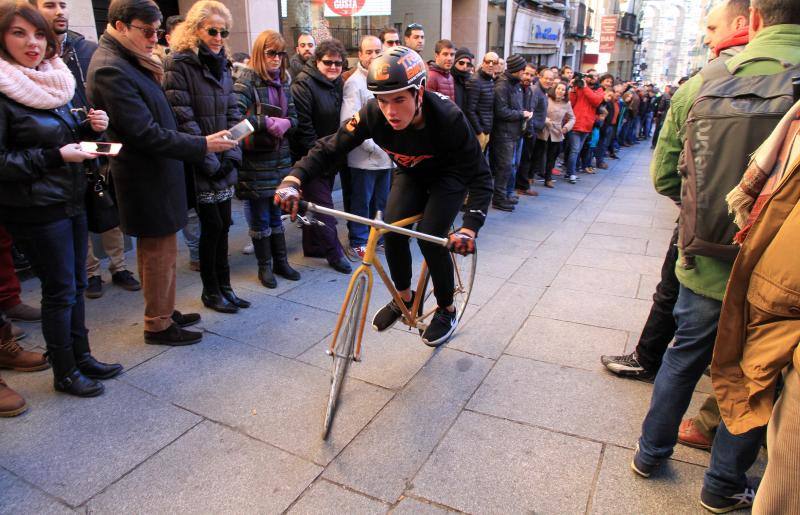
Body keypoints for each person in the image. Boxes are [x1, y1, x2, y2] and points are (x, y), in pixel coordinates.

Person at [630, 2, 800, 512]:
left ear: (756, 18)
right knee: (754, 374)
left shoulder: (703, 81)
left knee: (684, 355)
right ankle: (722, 484)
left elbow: (664, 176)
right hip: (778, 271)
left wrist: (706, 212)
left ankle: (648, 454)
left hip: (705, 259)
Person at [276, 46, 492, 346]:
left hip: (449, 177)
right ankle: (405, 297)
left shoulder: (449, 118)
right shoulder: (372, 114)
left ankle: (446, 309)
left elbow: (481, 176)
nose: (390, 111)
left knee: (431, 237)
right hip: (410, 173)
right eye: (383, 100)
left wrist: (470, 227)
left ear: (419, 93)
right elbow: (330, 147)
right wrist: (293, 179)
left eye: (399, 100)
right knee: (390, 231)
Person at [87, 0, 238, 345]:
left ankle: (164, 311)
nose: (154, 38)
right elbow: (144, 132)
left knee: (164, 251)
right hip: (145, 178)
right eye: (147, 31)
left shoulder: (129, 58)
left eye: (156, 31)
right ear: (121, 25)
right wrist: (202, 145)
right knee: (157, 253)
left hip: (160, 173)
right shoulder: (111, 67)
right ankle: (158, 324)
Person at [0, 0, 123, 397]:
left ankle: (81, 356)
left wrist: (93, 129)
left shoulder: (54, 79)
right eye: (19, 33)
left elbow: (66, 137)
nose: (32, 43)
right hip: (35, 208)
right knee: (59, 290)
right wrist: (56, 156)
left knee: (75, 284)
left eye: (39, 34)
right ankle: (65, 371)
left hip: (71, 197)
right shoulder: (4, 89)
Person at [712, 97, 800, 515]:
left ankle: (661, 452)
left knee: (742, 373)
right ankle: (720, 483)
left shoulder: (710, 90)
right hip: (769, 285)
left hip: (749, 271)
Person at [33, 0, 141, 300]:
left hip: (95, 136)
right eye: (49, 5)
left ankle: (119, 266)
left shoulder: (86, 48)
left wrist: (102, 123)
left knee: (106, 202)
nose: (59, 11)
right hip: (58, 147)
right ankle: (91, 271)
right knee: (78, 208)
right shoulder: (33, 55)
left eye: (63, 4)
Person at [163, 0, 247, 314]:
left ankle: (225, 287)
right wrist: (211, 160)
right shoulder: (179, 63)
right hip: (200, 160)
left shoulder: (222, 63)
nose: (218, 37)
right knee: (211, 227)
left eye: (223, 32)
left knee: (224, 224)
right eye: (212, 31)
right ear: (195, 28)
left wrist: (232, 154)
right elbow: (183, 118)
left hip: (222, 158)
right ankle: (211, 291)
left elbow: (233, 112)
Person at [233, 29, 301, 289]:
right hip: (255, 162)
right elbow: (235, 121)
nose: (276, 58)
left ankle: (281, 262)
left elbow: (294, 118)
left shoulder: (283, 81)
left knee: (276, 215)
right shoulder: (246, 81)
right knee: (261, 217)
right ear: (259, 53)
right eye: (271, 53)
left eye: (281, 53)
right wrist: (265, 122)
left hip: (279, 160)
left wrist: (286, 123)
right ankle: (265, 267)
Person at [290, 38, 351, 274]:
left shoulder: (337, 83)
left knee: (314, 203)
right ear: (317, 61)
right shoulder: (303, 85)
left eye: (338, 63)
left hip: (331, 154)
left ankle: (313, 246)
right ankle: (334, 254)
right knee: (325, 208)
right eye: (328, 62)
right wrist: (320, 158)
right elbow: (304, 129)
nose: (333, 67)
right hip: (311, 157)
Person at [340, 35, 391, 260]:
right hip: (364, 158)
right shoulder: (354, 83)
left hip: (385, 157)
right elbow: (348, 122)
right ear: (360, 55)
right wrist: (375, 146)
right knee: (362, 202)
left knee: (381, 202)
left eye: (377, 51)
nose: (373, 56)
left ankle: (375, 237)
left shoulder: (384, 77)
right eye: (368, 52)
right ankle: (358, 241)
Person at [489, 54, 531, 211]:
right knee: (505, 166)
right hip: (504, 134)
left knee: (512, 166)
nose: (524, 74)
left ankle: (506, 194)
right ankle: (499, 198)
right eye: (522, 70)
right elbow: (501, 111)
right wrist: (521, 114)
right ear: (516, 70)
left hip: (514, 132)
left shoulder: (516, 85)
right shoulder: (502, 85)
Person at [516, 66, 552, 196]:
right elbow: (530, 111)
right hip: (530, 130)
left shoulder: (541, 91)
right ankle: (522, 186)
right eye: (546, 78)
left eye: (551, 79)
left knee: (527, 158)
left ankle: (521, 185)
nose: (548, 81)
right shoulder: (536, 90)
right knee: (525, 159)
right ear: (540, 77)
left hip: (535, 129)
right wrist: (530, 131)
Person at [566, 70, 603, 184]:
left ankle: (570, 172)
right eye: (589, 76)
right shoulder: (579, 87)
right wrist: (573, 89)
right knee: (574, 150)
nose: (592, 78)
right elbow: (571, 102)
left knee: (577, 150)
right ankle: (571, 173)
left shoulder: (599, 90)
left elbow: (596, 101)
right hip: (576, 123)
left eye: (594, 76)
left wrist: (585, 87)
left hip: (587, 125)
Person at [533, 82, 573, 189]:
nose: (560, 91)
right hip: (543, 129)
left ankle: (548, 178)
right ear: (555, 89)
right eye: (559, 88)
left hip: (557, 132)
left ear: (566, 92)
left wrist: (566, 127)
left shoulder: (567, 103)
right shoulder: (547, 98)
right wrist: (545, 120)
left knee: (552, 157)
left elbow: (572, 118)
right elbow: (538, 111)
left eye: (563, 90)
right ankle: (530, 175)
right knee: (537, 154)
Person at [465, 52, 497, 152]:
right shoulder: (475, 80)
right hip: (478, 132)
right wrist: (479, 131)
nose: (490, 65)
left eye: (494, 62)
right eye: (488, 62)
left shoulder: (490, 80)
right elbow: (470, 110)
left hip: (486, 130)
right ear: (483, 63)